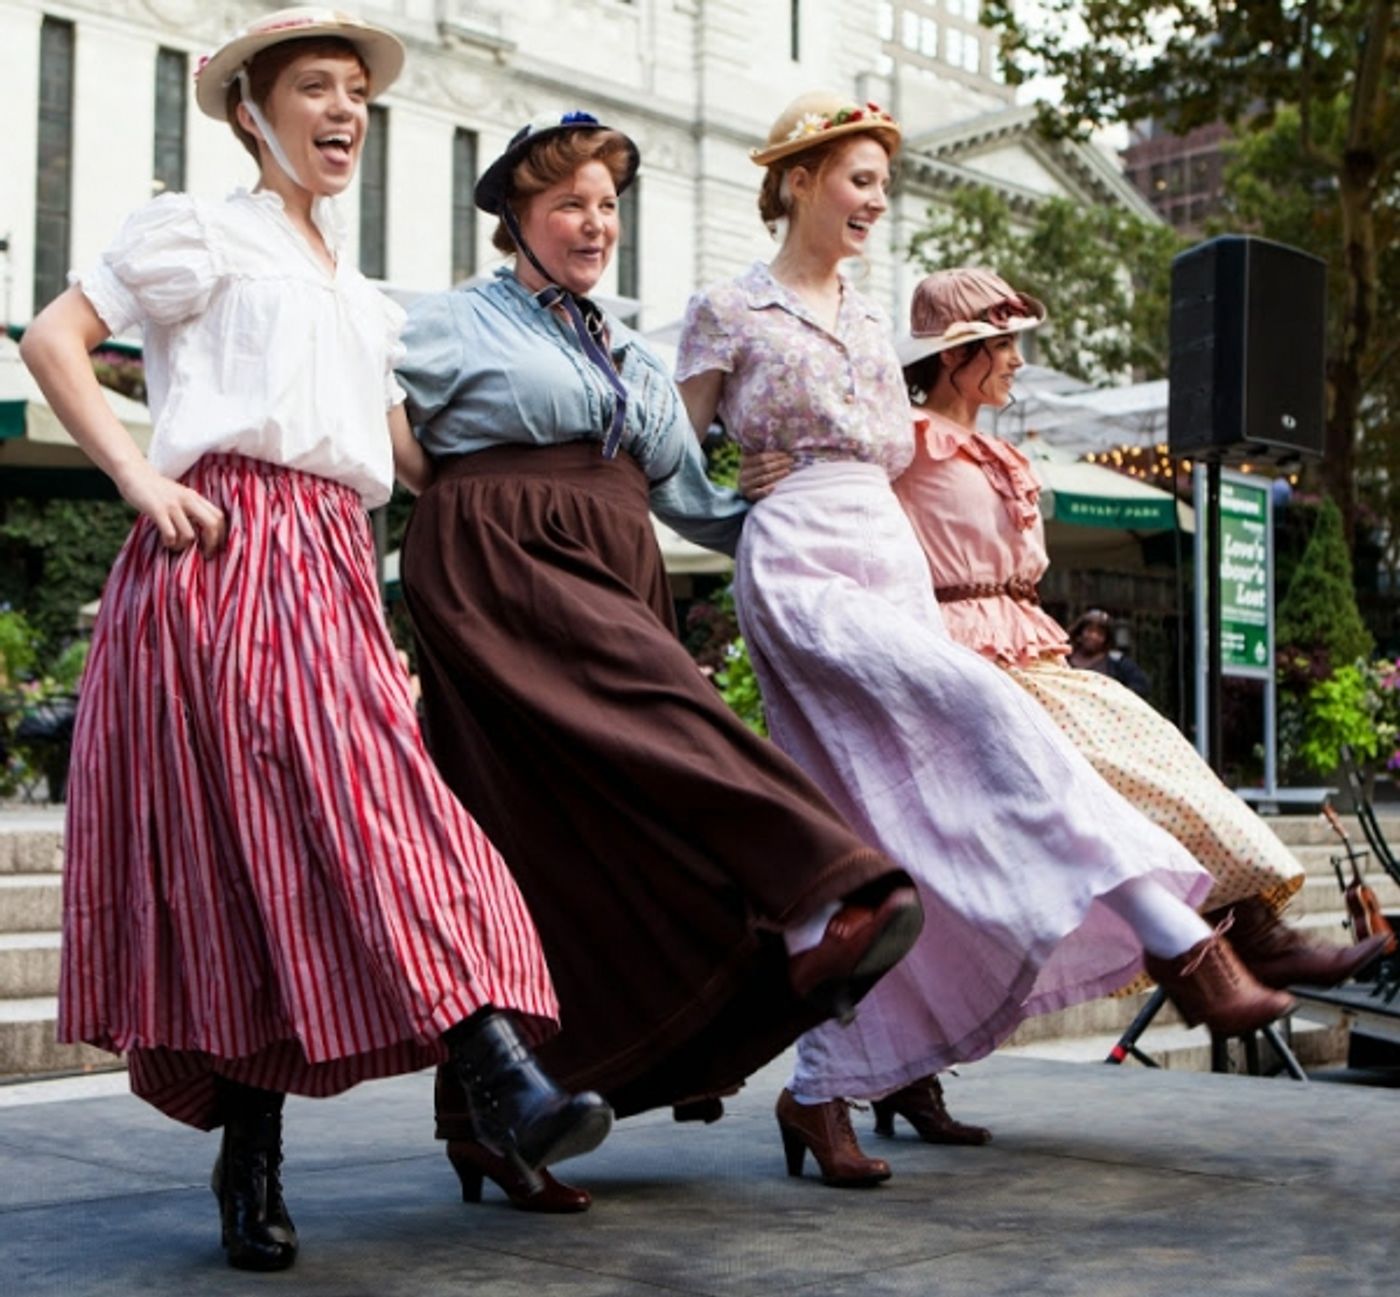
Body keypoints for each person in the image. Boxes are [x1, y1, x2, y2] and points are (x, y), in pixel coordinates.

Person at [20, 10, 610, 1270]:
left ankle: (271, 1150)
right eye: (315, 89)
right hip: (221, 558)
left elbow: (402, 456)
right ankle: (493, 1076)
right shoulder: (200, 230)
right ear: (254, 110)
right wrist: (137, 477)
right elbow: (53, 340)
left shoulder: (356, 290)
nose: (344, 110)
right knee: (337, 825)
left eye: (355, 92)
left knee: (314, 850)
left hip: (335, 570)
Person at [675, 90, 1292, 1189]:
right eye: (858, 177)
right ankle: (1184, 948)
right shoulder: (727, 308)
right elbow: (673, 464)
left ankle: (824, 1086)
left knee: (884, 838)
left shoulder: (870, 320)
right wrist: (753, 514)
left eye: (880, 182)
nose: (873, 198)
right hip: (802, 561)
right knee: (995, 716)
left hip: (884, 554)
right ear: (800, 178)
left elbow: (897, 461)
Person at [394, 110, 920, 1208]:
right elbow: (369, 416)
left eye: (605, 206)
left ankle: (494, 1116)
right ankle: (834, 892)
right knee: (670, 725)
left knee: (557, 838)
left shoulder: (629, 350)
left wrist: (801, 506)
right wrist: (429, 489)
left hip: (615, 557)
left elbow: (696, 499)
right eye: (568, 205)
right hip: (502, 563)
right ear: (516, 220)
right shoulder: (446, 323)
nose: (593, 224)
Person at [743, 262, 1391, 1005]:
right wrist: (769, 466)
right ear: (955, 357)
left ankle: (1251, 940)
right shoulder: (905, 440)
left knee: (1164, 774)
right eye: (1003, 344)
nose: (1017, 360)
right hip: (959, 658)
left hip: (1032, 650)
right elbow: (832, 480)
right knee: (1125, 783)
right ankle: (1232, 953)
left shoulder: (1001, 451)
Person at [1068, 608, 1151, 699]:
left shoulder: (1117, 662)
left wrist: (1115, 696)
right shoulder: (1065, 657)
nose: (1093, 636)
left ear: (1106, 639)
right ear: (1080, 633)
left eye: (1100, 633)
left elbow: (1141, 686)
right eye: (1089, 630)